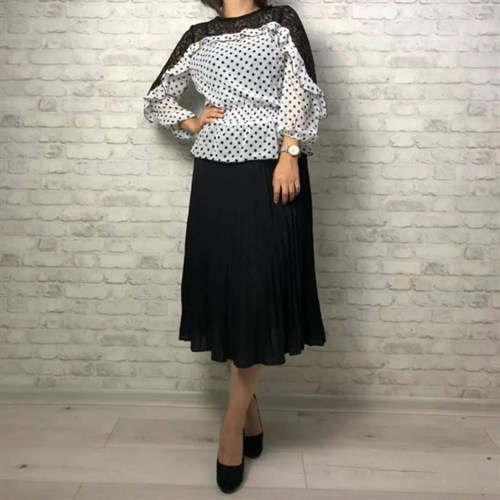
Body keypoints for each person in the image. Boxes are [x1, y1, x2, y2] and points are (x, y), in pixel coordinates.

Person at [143, 0, 328, 493]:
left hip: (271, 169)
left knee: (257, 291)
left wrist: (289, 153)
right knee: (229, 290)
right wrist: (191, 121)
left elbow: (300, 88)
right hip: (215, 175)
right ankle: (248, 413)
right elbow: (157, 97)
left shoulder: (281, 20)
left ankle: (230, 425)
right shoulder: (198, 34)